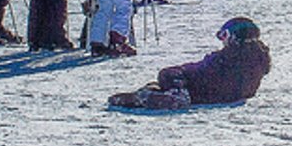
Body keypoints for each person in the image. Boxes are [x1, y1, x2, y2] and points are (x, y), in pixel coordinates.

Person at [109, 17, 272, 110]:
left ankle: (158, 96)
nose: (223, 41)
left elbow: (204, 71)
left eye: (224, 36)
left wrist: (185, 71)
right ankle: (160, 92)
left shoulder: (228, 57)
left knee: (167, 74)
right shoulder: (259, 59)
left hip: (200, 91)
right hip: (225, 94)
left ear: (236, 37)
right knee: (160, 81)